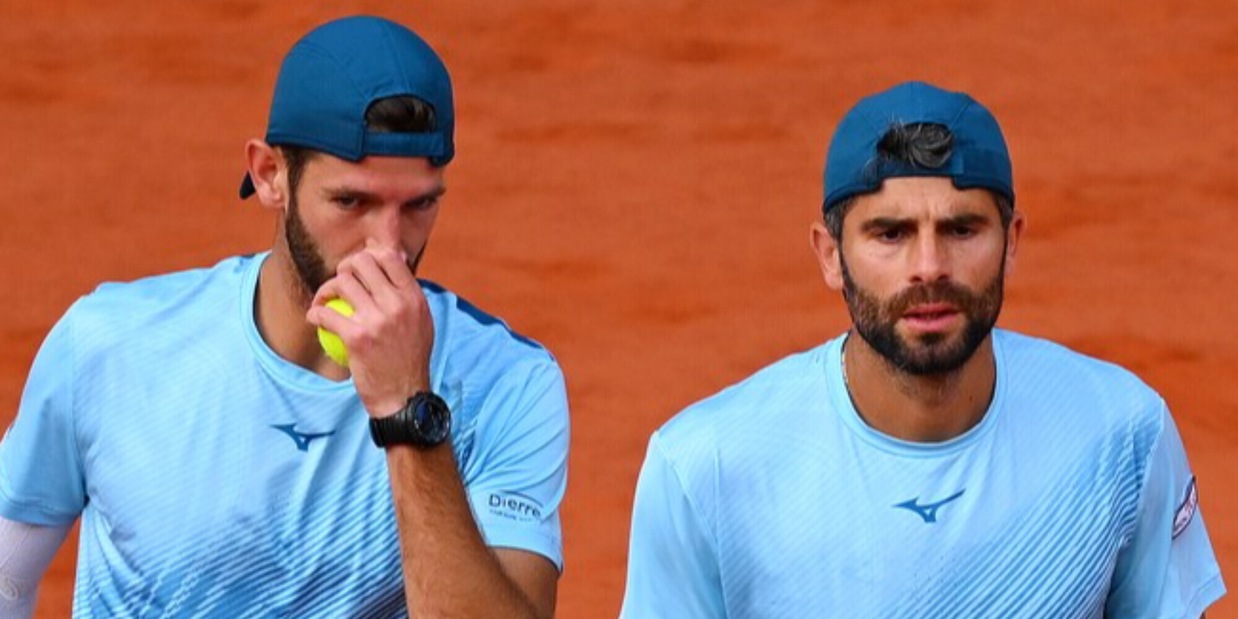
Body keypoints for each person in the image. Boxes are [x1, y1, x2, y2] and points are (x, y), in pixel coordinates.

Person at [0, 15, 568, 618]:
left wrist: (408, 413)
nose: (388, 245)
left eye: (419, 204)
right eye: (352, 201)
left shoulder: (508, 384)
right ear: (270, 175)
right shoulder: (108, 347)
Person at [620, 81, 1225, 617]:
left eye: (962, 229)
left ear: (1011, 243)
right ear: (831, 255)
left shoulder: (1121, 435)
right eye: (891, 233)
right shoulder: (707, 468)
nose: (929, 268)